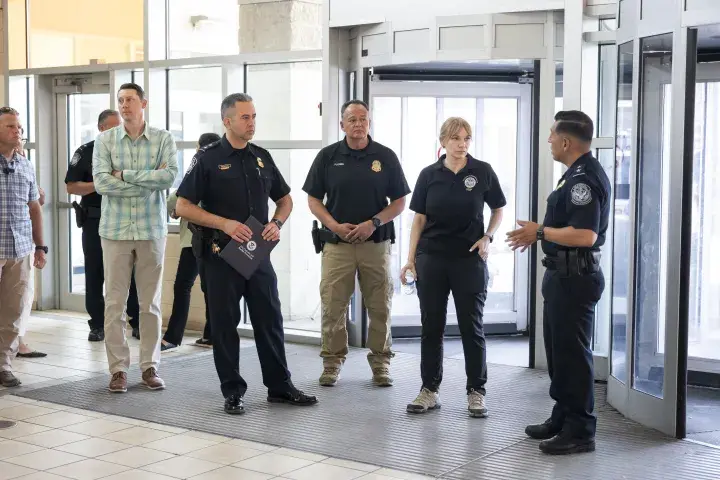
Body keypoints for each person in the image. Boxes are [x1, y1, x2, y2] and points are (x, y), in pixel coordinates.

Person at [175, 93, 317, 414]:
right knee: (226, 324)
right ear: (227, 121)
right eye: (245, 118)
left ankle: (280, 387)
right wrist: (223, 223)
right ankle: (233, 391)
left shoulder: (262, 157)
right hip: (220, 254)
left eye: (253, 116)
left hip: (256, 253)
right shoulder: (208, 158)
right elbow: (182, 205)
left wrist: (277, 223)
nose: (251, 123)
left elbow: (285, 199)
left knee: (270, 319)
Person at [506, 110, 610, 455]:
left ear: (566, 141)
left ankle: (580, 430)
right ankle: (563, 415)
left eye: (552, 135)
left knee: (572, 356)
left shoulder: (583, 179)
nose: (549, 140)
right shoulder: (574, 175)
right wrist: (541, 233)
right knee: (559, 352)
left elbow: (585, 234)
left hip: (575, 276)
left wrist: (540, 231)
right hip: (562, 275)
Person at [401, 117, 506, 418]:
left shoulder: (482, 171)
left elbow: (498, 208)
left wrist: (488, 236)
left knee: (471, 326)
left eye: (467, 138)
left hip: (469, 260)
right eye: (456, 139)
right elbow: (418, 220)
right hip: (432, 259)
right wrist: (410, 258)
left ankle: (476, 391)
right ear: (443, 141)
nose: (462, 144)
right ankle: (429, 390)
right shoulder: (428, 175)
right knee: (431, 326)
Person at [303, 99, 410, 387]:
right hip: (337, 246)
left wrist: (373, 223)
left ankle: (381, 364)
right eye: (352, 119)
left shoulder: (385, 157)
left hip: (375, 245)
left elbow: (400, 201)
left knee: (380, 306)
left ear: (369, 123)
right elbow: (313, 199)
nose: (358, 124)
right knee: (333, 305)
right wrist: (334, 225)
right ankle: (332, 362)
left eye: (363, 119)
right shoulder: (328, 156)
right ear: (342, 124)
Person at [92, 83, 178, 393]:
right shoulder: (104, 140)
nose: (125, 105)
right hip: (114, 231)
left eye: (130, 100)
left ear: (144, 103)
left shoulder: (163, 139)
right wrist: (147, 181)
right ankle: (118, 370)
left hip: (150, 231)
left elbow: (169, 178)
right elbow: (101, 183)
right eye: (120, 100)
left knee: (150, 303)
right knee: (114, 303)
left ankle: (150, 366)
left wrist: (124, 175)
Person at [65, 109, 141, 343]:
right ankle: (97, 324)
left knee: (131, 272)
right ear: (101, 129)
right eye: (112, 127)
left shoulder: (130, 150)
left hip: (124, 219)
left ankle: (136, 321)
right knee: (95, 272)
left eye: (120, 126)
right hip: (95, 220)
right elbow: (71, 186)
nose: (118, 130)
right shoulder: (86, 151)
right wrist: (99, 184)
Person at [0, 107, 47, 387]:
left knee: (15, 312)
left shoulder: (26, 166)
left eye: (18, 127)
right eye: (9, 126)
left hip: (19, 250)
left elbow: (35, 209)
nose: (17, 131)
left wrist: (40, 246)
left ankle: (4, 365)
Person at [160, 132, 220, 351]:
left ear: (198, 149)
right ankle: (212, 335)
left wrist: (180, 211)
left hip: (193, 241)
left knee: (182, 286)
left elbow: (172, 203)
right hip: (218, 241)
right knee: (211, 288)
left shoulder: (198, 170)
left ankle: (173, 337)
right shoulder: (222, 169)